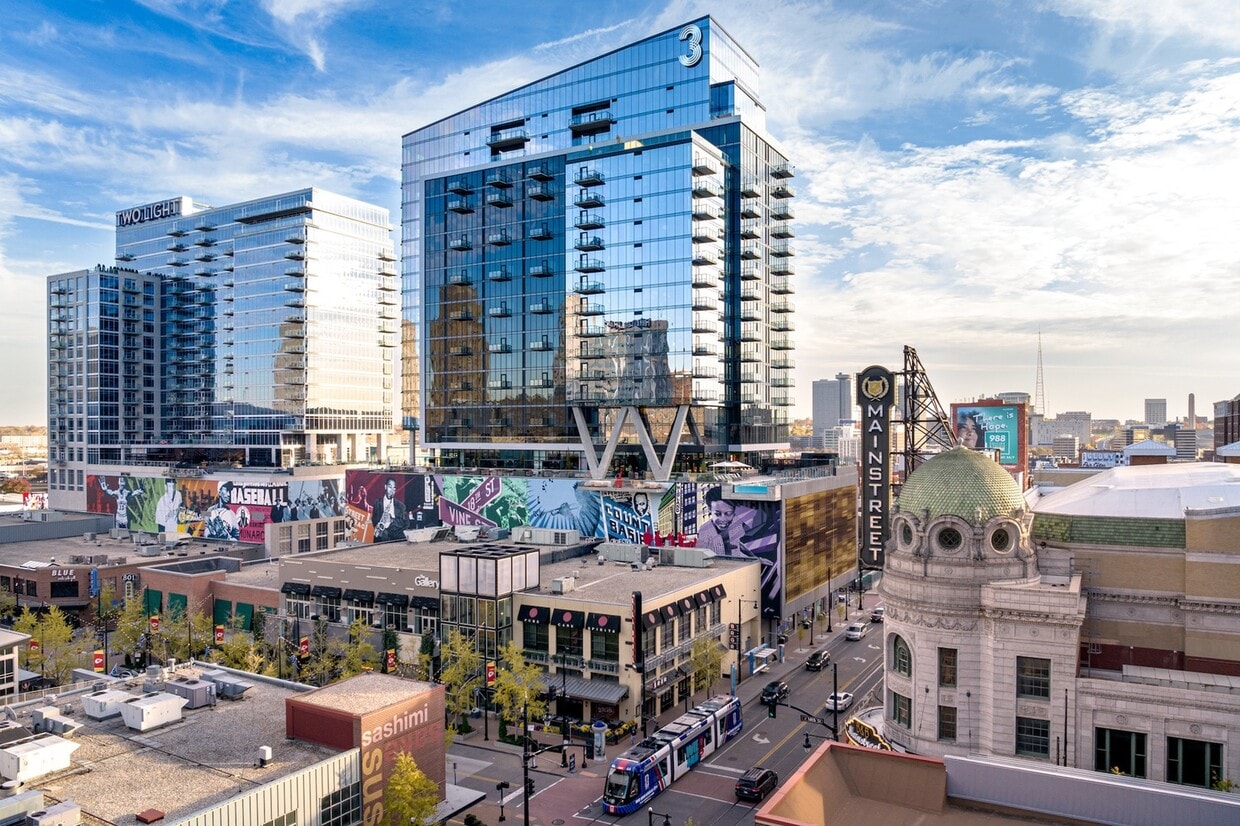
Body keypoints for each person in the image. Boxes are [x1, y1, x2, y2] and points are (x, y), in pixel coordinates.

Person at [695, 487, 746, 557]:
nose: (723, 519)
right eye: (717, 514)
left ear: (734, 511)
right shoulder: (704, 531)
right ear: (710, 510)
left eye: (728, 513)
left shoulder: (743, 526)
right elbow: (699, 558)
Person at [371, 477, 408, 541]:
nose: (392, 491)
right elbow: (374, 519)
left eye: (394, 488)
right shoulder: (377, 502)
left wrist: (391, 520)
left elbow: (406, 523)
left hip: (395, 539)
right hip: (381, 538)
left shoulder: (401, 506)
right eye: (390, 487)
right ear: (385, 487)